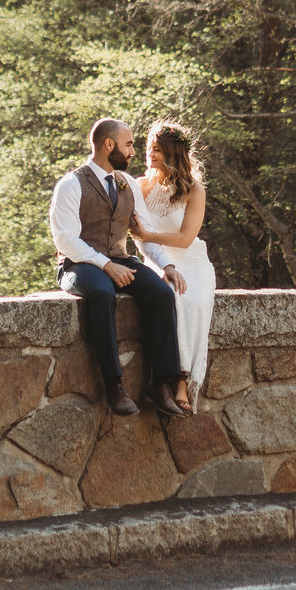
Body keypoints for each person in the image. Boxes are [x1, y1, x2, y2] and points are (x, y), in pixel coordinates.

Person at [49, 117, 183, 417]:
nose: (133, 152)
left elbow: (143, 234)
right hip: (78, 264)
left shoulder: (127, 185)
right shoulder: (71, 184)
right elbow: (66, 240)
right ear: (108, 145)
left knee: (161, 294)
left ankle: (159, 383)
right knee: (102, 292)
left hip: (118, 259)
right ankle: (114, 384)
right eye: (128, 144)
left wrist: (167, 264)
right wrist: (106, 265)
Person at [129, 120, 213, 416]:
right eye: (148, 148)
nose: (149, 154)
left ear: (172, 153)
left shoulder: (194, 190)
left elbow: (186, 237)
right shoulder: (140, 186)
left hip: (192, 260)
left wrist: (147, 234)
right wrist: (159, 257)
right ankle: (171, 378)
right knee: (170, 296)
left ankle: (182, 380)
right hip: (158, 260)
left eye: (157, 150)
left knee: (194, 301)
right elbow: (137, 238)